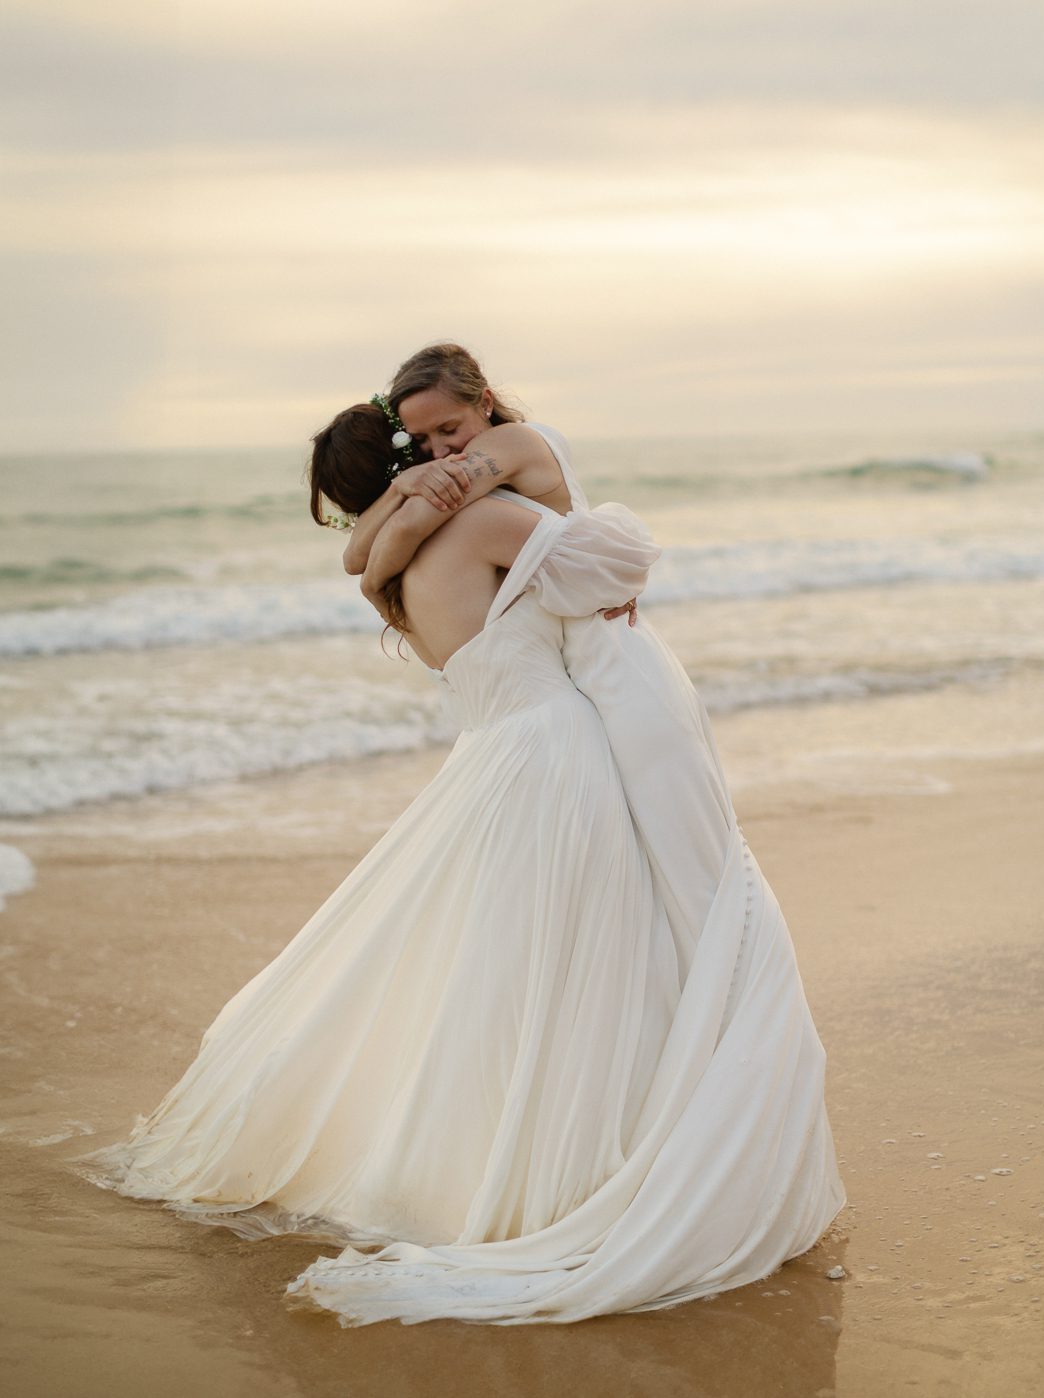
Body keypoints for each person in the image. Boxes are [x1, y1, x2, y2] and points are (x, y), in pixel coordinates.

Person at [73, 363, 846, 1328]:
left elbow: (376, 560)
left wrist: (410, 505)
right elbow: (612, 567)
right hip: (560, 751)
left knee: (510, 971)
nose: (450, 462)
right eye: (428, 451)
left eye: (450, 445)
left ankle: (498, 1164)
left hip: (491, 757)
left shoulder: (393, 579)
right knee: (599, 957)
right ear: (404, 464)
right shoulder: (482, 525)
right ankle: (588, 1173)